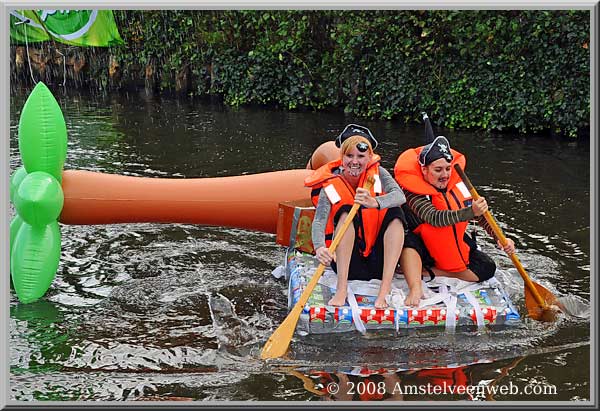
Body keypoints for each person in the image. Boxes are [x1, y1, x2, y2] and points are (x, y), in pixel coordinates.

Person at [394, 114, 515, 306]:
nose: (445, 175)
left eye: (448, 169)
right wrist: (470, 212)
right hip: (422, 245)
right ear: (425, 170)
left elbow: (482, 216)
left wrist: (501, 238)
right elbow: (434, 217)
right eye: (438, 170)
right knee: (408, 240)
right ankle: (416, 286)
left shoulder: (457, 185)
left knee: (487, 267)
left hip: (448, 243)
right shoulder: (412, 193)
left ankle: (434, 273)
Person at [305, 124, 406, 309]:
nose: (355, 162)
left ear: (369, 157)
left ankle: (384, 290)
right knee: (345, 213)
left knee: (396, 214)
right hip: (349, 265)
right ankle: (341, 289)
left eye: (360, 156)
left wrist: (375, 202)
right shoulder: (330, 182)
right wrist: (319, 247)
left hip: (376, 261)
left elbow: (400, 196)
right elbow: (319, 219)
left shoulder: (379, 173)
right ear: (341, 157)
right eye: (349, 156)